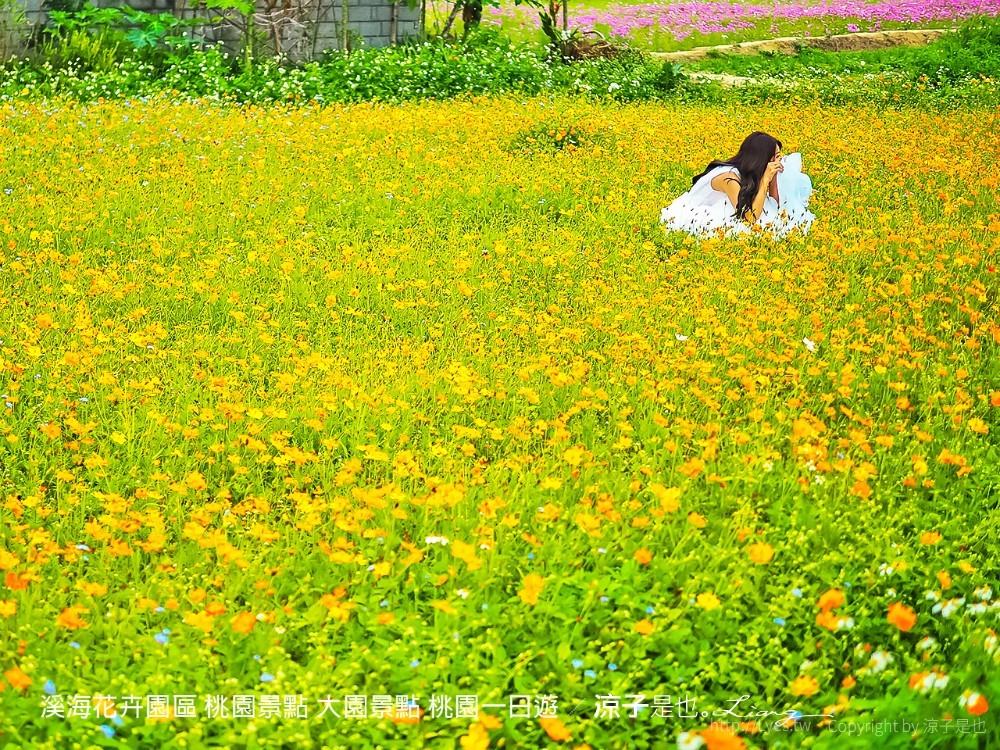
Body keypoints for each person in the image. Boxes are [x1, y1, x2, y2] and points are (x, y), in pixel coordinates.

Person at [660, 132, 815, 240]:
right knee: (750, 228)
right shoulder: (729, 178)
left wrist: (772, 179)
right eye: (775, 157)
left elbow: (775, 205)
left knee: (774, 217)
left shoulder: (752, 173)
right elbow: (749, 218)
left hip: (739, 204)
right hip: (708, 210)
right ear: (760, 159)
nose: (779, 161)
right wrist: (764, 181)